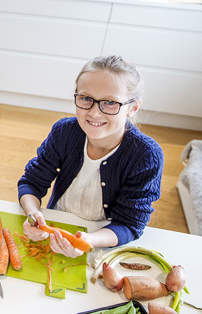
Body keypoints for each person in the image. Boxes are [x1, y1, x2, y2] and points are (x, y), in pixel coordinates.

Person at [18, 55, 163, 258]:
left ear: (133, 108)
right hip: (56, 226)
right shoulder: (64, 132)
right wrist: (33, 213)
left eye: (110, 102)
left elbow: (129, 224)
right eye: (86, 99)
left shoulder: (146, 155)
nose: (94, 113)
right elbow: (32, 182)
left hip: (104, 241)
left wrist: (87, 241)